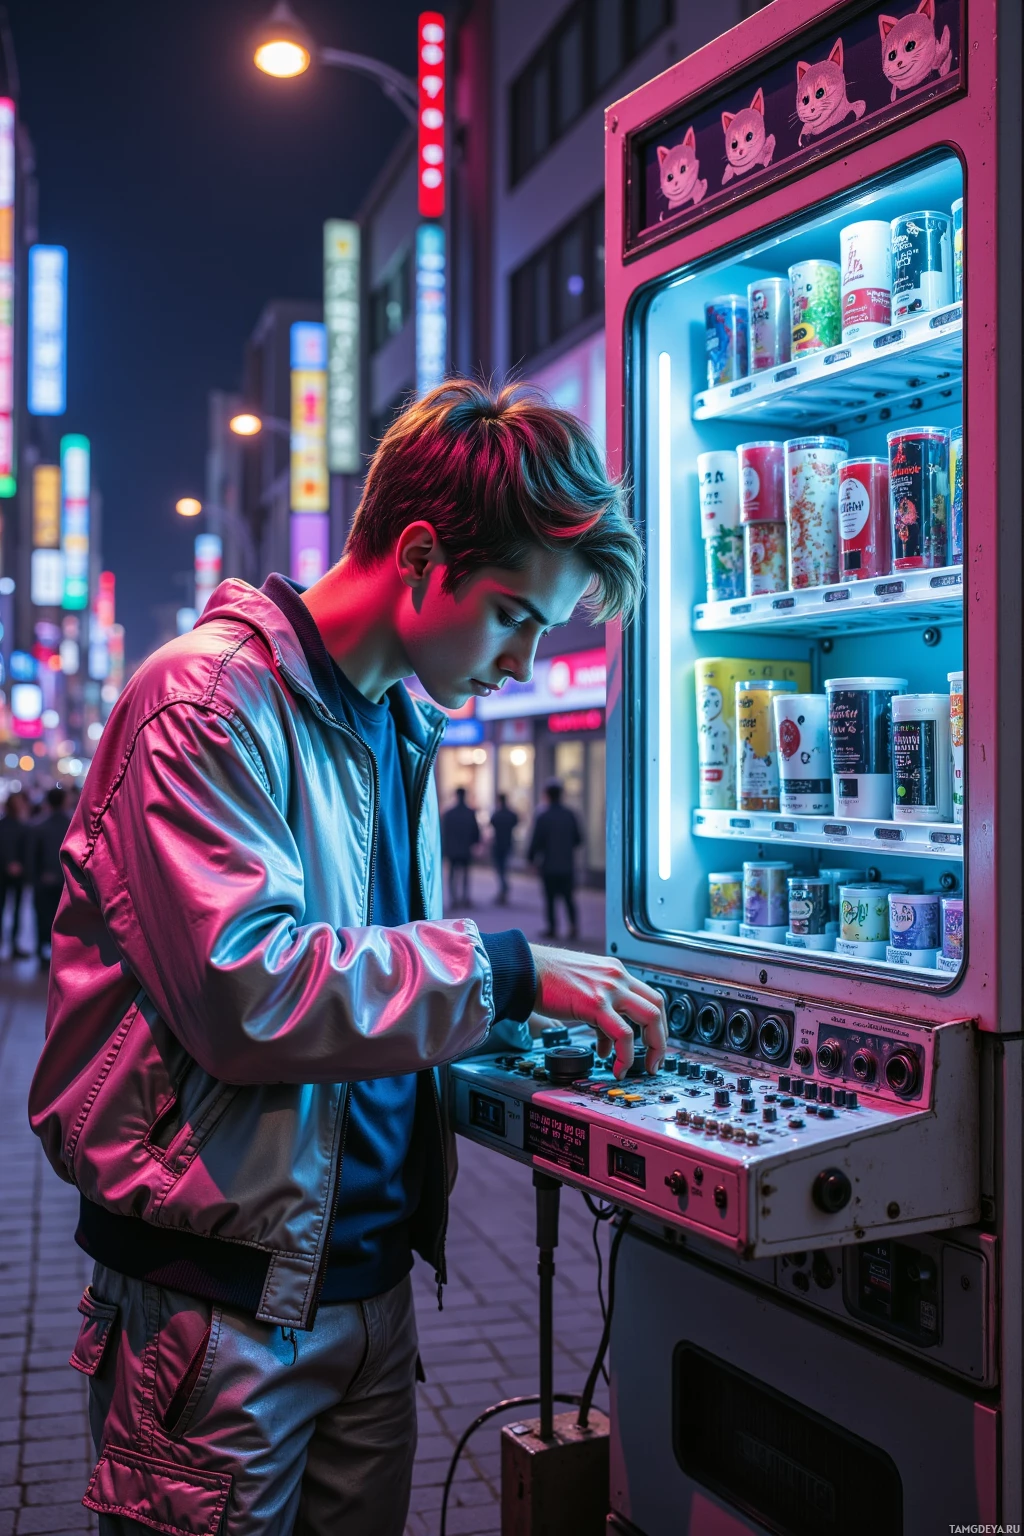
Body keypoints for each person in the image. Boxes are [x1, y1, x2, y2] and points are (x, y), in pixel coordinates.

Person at [28, 377, 666, 1536]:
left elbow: (373, 973)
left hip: (370, 1294)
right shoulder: (204, 704)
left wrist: (523, 1031)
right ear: (420, 556)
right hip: (214, 1314)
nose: (522, 663)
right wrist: (509, 971)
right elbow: (250, 991)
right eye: (517, 615)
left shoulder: (398, 720)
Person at [529, 780, 583, 940]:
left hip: (549, 865)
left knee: (550, 898)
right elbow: (579, 839)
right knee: (569, 897)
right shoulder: (570, 815)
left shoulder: (543, 816)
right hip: (567, 864)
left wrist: (531, 859)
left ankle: (552, 928)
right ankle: (573, 927)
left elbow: (536, 841)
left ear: (547, 796)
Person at [30, 787, 71, 960]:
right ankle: (61, 953)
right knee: (63, 919)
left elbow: (33, 856)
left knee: (42, 916)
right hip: (65, 880)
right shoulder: (70, 824)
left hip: (43, 879)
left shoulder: (38, 825)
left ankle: (41, 951)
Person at [0, 789, 30, 959]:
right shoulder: (22, 826)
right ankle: (13, 945)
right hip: (13, 874)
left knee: (7, 908)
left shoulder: (4, 825)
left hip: (4, 873)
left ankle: (11, 944)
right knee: (15, 909)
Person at [440, 786, 480, 907]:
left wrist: (444, 849)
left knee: (452, 875)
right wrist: (474, 843)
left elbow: (444, 833)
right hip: (465, 849)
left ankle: (454, 899)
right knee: (465, 874)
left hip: (452, 849)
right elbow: (476, 832)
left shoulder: (449, 813)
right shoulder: (470, 812)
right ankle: (465, 897)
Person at [490, 792, 519, 904]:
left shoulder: (497, 814)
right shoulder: (511, 814)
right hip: (508, 844)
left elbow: (491, 823)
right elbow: (516, 822)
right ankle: (504, 888)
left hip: (498, 845)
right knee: (504, 868)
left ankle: (503, 888)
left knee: (500, 869)